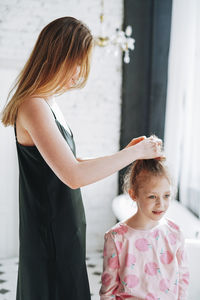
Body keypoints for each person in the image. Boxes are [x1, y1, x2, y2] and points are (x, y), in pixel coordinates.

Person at [1, 17, 163, 300]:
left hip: (64, 225)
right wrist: (133, 153)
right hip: (48, 231)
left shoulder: (49, 102)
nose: (79, 72)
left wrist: (124, 153)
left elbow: (71, 163)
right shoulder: (33, 105)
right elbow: (73, 176)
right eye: (78, 61)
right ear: (59, 56)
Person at [100, 158, 189, 300]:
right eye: (152, 196)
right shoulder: (116, 237)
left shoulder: (175, 232)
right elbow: (108, 286)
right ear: (133, 194)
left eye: (166, 196)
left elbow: (183, 277)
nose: (161, 204)